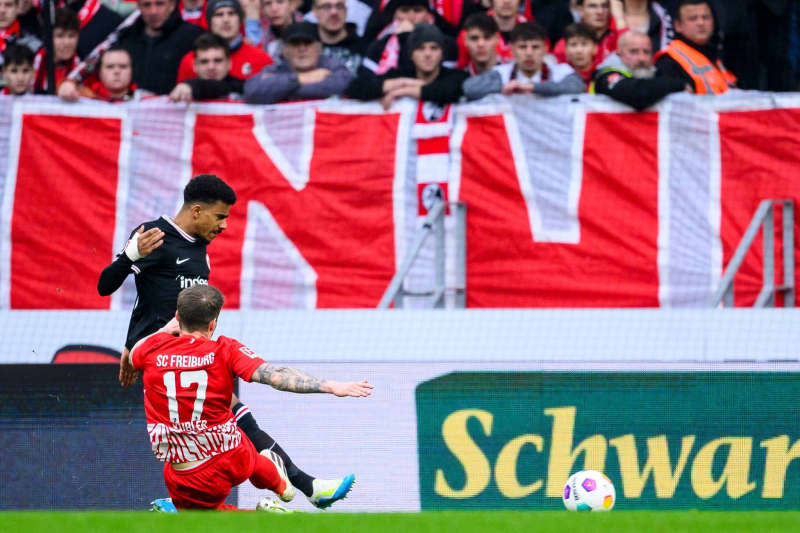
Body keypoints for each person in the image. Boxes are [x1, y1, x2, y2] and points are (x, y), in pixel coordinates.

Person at [97, 174, 356, 510]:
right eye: (220, 217)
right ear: (197, 211)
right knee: (225, 425)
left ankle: (299, 486)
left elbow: (174, 306)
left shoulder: (201, 252)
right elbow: (107, 286)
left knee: (229, 423)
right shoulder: (153, 237)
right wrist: (129, 258)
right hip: (162, 358)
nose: (224, 226)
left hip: (196, 353)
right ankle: (302, 486)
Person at [122, 283, 374, 510]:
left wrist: (166, 329)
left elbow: (134, 355)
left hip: (179, 471)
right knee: (240, 453)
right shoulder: (224, 349)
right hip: (229, 458)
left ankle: (293, 486)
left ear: (177, 317)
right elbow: (275, 376)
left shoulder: (151, 350)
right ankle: (277, 491)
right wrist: (330, 386)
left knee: (225, 411)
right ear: (213, 324)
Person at [346, 22, 467, 109]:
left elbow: (448, 91)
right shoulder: (400, 74)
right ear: (411, 55)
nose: (428, 54)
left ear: (442, 54)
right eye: (420, 48)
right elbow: (355, 88)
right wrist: (403, 82)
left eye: (434, 48)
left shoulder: (456, 76)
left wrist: (401, 92)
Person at [463, 22, 584, 100]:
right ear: (512, 50)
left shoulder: (560, 70)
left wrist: (532, 88)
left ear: (545, 50)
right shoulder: (501, 73)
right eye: (522, 47)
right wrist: (502, 88)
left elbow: (577, 87)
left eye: (535, 47)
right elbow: (469, 88)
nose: (529, 53)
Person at [243, 21, 353, 104]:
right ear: (284, 51)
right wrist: (302, 78)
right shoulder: (277, 69)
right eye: (295, 44)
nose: (302, 49)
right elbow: (252, 90)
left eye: (308, 43)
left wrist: (279, 89)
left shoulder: (332, 66)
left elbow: (345, 85)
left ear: (319, 48)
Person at [114, 0, 204, 94]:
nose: (153, 11)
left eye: (160, 4)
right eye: (146, 5)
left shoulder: (193, 37)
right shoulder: (125, 37)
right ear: (139, 7)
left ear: (172, 5)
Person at [177, 0, 273, 82]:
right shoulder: (191, 62)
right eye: (219, 14)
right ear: (209, 21)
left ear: (240, 19)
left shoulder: (261, 59)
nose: (226, 20)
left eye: (231, 13)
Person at [590, 30, 686, 109]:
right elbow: (637, 94)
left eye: (646, 52)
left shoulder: (656, 73)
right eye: (634, 52)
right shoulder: (606, 74)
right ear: (619, 54)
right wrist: (679, 85)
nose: (642, 58)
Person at [654, 0, 734, 94]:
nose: (701, 23)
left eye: (706, 17)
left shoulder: (717, 54)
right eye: (693, 18)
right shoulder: (669, 60)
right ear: (678, 25)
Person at [170, 33, 245, 101]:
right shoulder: (183, 91)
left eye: (217, 60)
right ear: (195, 66)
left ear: (229, 64)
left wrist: (191, 86)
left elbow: (220, 87)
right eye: (204, 62)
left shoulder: (243, 89)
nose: (211, 67)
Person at [553, 0, 623, 69]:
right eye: (592, 6)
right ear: (580, 10)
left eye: (605, 6)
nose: (600, 11)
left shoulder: (618, 36)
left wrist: (619, 19)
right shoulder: (567, 43)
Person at [32, 8, 80, 93]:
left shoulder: (81, 65)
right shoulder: (35, 62)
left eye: (71, 36)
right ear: (48, 38)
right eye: (60, 36)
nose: (66, 43)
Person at [311, 0, 365, 74]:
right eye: (326, 6)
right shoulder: (301, 46)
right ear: (315, 12)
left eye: (339, 6)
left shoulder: (365, 47)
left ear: (346, 11)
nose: (334, 12)